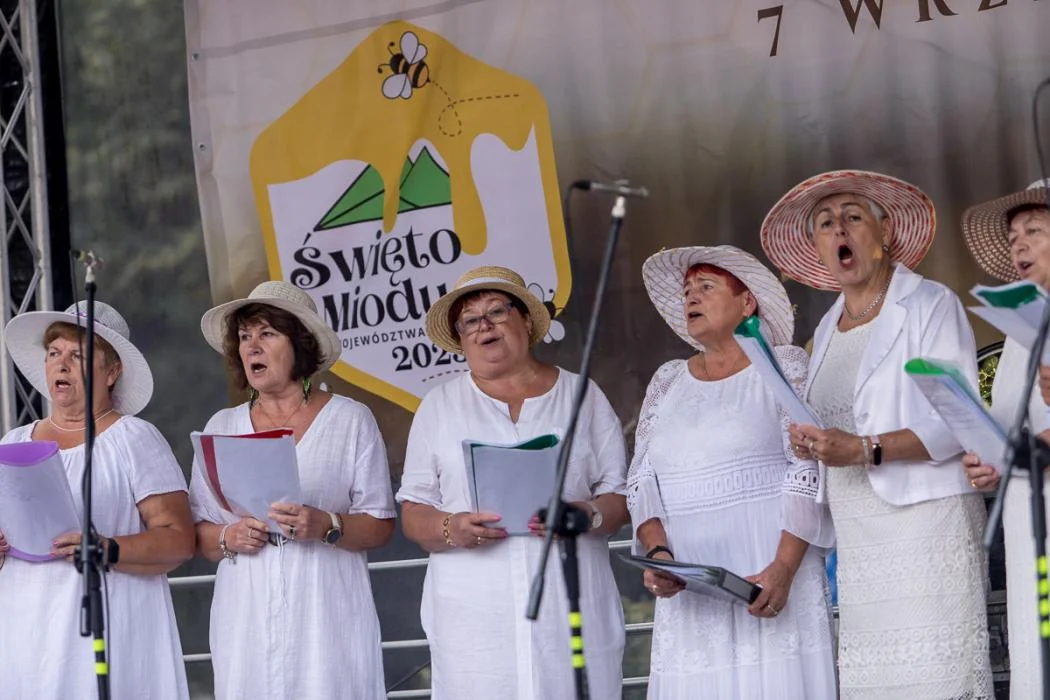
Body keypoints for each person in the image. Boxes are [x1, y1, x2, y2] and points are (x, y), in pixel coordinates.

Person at [761, 170, 993, 698]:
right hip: (859, 538)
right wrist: (811, 442)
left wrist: (865, 449)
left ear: (884, 233)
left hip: (926, 527)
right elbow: (835, 420)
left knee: (936, 679)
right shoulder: (826, 328)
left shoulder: (930, 303)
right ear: (818, 248)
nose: (839, 228)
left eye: (853, 216)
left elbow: (958, 420)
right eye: (825, 223)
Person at [397, 265, 629, 700]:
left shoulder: (582, 395)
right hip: (475, 619)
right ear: (461, 339)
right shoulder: (439, 406)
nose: (484, 325)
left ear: (525, 319)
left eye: (497, 311)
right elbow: (413, 512)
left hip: (569, 603)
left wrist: (587, 514)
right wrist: (452, 527)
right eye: (469, 320)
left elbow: (620, 495)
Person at [627, 245, 836, 699]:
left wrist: (783, 568)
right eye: (687, 290)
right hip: (691, 587)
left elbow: (806, 468)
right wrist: (658, 554)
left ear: (747, 303)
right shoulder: (667, 380)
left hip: (769, 569)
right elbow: (642, 480)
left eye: (706, 286)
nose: (691, 297)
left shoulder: (784, 364)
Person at [189, 280, 396, 699]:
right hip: (246, 612)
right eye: (244, 337)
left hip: (326, 607)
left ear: (300, 344)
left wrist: (327, 524)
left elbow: (380, 524)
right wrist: (229, 535)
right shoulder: (222, 426)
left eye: (267, 333)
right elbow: (199, 533)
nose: (252, 347)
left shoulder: (350, 419)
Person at [0, 301, 193, 699]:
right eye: (54, 353)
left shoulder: (134, 438)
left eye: (78, 355)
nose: (62, 364)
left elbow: (179, 540)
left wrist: (108, 548)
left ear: (112, 371)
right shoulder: (12, 442)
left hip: (109, 627)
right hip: (25, 633)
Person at [961, 179, 1050, 700]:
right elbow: (1011, 427)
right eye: (1013, 237)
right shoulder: (1018, 332)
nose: (1019, 244)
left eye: (1034, 230)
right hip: (1024, 515)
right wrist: (991, 462)